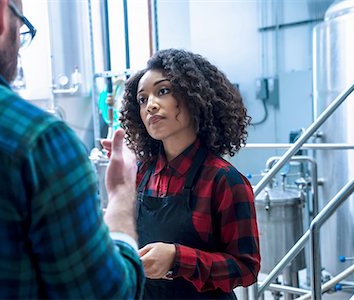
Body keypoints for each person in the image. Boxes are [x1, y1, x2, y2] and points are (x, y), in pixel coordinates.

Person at [0, 0, 144, 299]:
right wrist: (121, 196)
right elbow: (105, 294)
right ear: (1, 13)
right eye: (23, 30)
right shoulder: (36, 139)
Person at [105, 48, 261, 299]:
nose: (151, 106)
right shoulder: (140, 174)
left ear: (193, 97)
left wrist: (177, 258)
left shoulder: (224, 180)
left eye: (163, 91)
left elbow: (246, 268)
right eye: (142, 99)